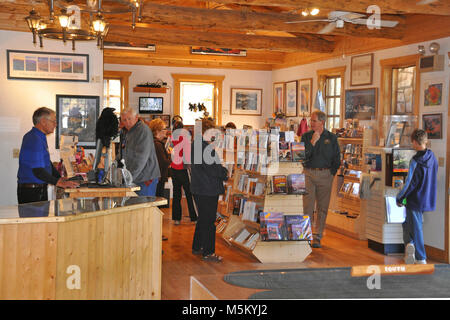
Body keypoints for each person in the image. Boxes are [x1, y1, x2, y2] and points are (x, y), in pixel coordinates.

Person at [17, 107, 79, 204]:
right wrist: (59, 182)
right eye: (53, 121)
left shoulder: (39, 136)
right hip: (32, 192)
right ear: (43, 121)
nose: (56, 124)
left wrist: (59, 178)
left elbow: (47, 163)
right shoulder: (34, 138)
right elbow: (38, 170)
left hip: (37, 189)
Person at [396, 129, 438, 265]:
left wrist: (399, 197)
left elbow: (409, 184)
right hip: (427, 198)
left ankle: (420, 257)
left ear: (414, 141)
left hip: (415, 199)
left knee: (417, 227)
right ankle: (410, 246)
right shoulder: (432, 157)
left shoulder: (415, 161)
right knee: (407, 224)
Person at [300, 110, 341, 248]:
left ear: (322, 122)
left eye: (314, 121)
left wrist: (331, 173)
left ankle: (317, 236)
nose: (311, 123)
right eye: (311, 121)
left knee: (322, 208)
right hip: (309, 174)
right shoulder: (306, 137)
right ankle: (306, 235)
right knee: (307, 206)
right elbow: (302, 156)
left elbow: (337, 158)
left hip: (325, 175)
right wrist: (312, 142)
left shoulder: (332, 138)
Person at [190, 118, 228, 262]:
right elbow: (213, 169)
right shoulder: (203, 147)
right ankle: (209, 252)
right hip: (207, 188)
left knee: (203, 220)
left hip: (200, 187)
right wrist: (224, 172)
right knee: (208, 221)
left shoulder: (197, 144)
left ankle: (197, 246)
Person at [120, 107, 160, 196]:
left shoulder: (143, 130)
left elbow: (141, 158)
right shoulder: (128, 132)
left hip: (145, 178)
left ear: (136, 117)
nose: (127, 122)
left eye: (129, 119)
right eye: (124, 120)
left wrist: (129, 178)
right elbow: (124, 154)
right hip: (136, 177)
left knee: (144, 207)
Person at [170, 120, 197, 225]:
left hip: (174, 168)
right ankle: (193, 217)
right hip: (183, 169)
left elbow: (169, 151)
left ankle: (177, 219)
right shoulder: (185, 138)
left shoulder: (172, 138)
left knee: (176, 195)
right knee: (190, 194)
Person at [148, 118, 171, 198]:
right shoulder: (157, 144)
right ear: (157, 131)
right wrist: (171, 157)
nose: (166, 131)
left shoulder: (152, 142)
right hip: (158, 178)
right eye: (164, 129)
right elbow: (163, 162)